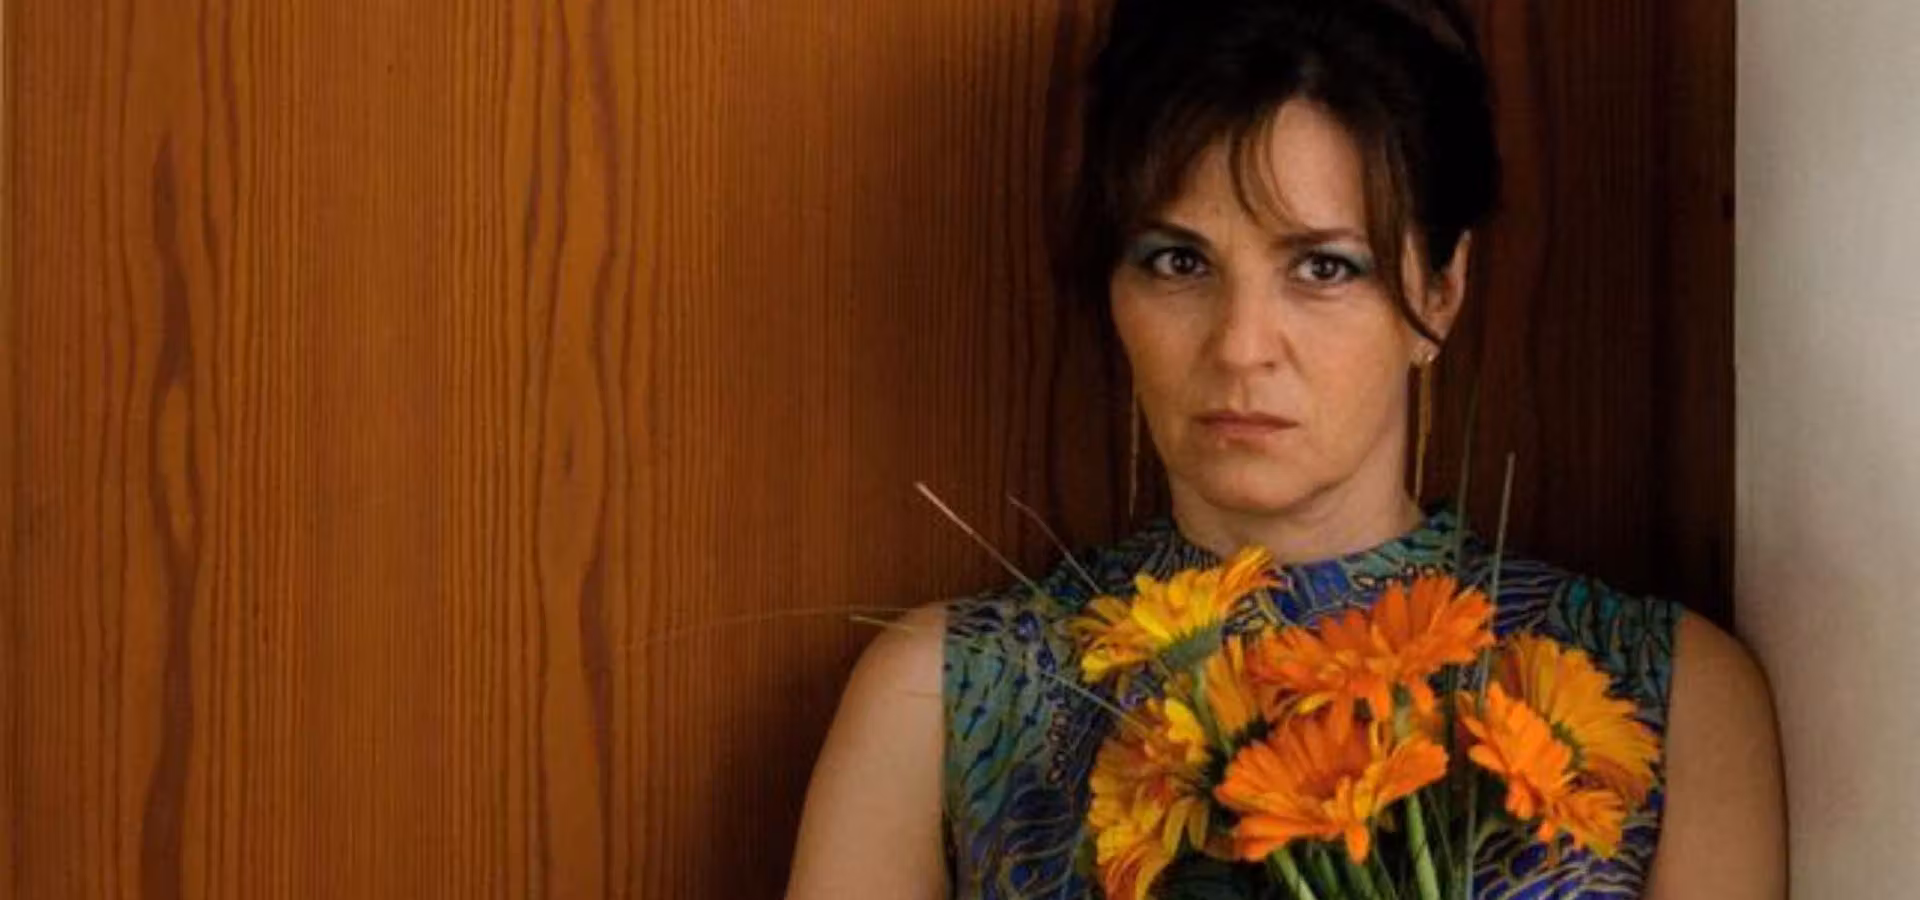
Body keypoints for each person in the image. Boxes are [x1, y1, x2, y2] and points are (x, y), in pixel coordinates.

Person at [787, 0, 1785, 896]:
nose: (1240, 346)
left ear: (1440, 291)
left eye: (1323, 268)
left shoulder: (1664, 695)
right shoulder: (943, 696)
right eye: (1179, 261)